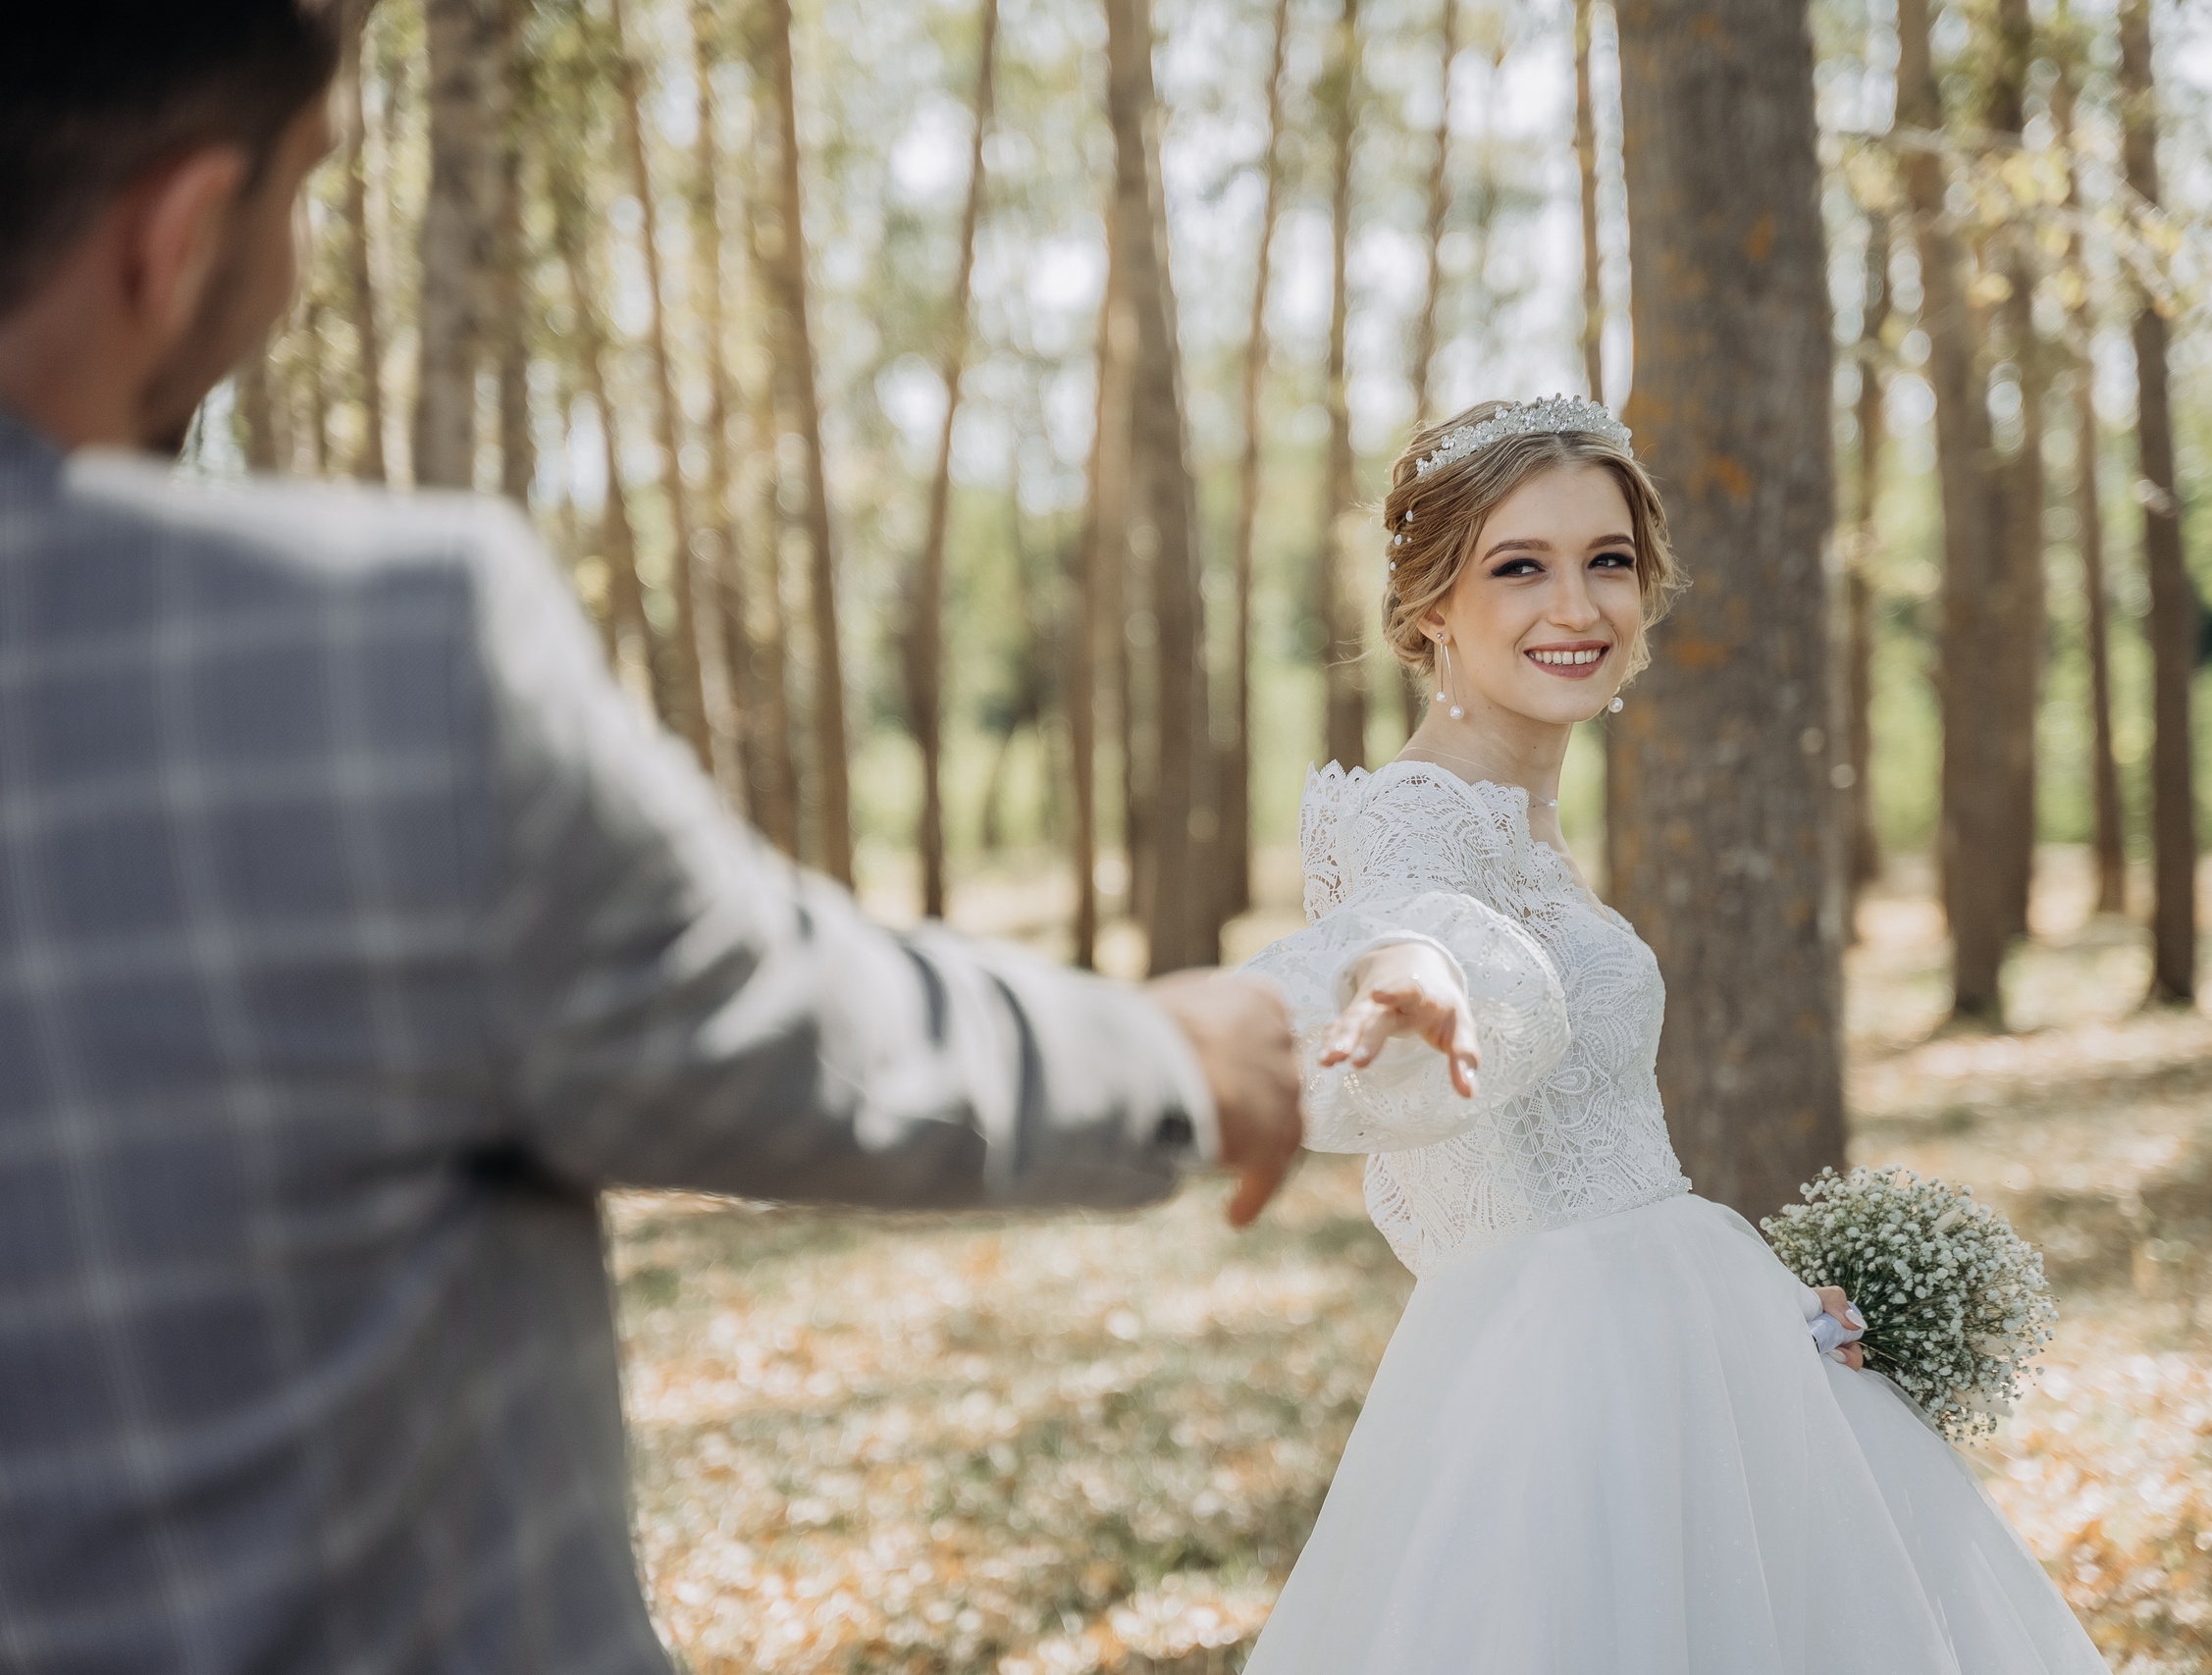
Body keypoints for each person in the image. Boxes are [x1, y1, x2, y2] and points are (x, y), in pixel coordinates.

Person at [0, 6, 1302, 1671]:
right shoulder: (370, 649)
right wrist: (1177, 1058)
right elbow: (774, 1023)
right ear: (174, 239)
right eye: (305, 190)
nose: (305, 263)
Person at [1238, 396, 2109, 1673]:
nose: (1577, 606)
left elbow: (1604, 1148)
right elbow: (1411, 955)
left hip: (1693, 1340)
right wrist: (1400, 977)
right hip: (1561, 1400)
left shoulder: (1518, 812)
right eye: (1518, 566)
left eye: (1609, 561)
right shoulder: (1414, 829)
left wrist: (1768, 1313)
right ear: (1433, 603)